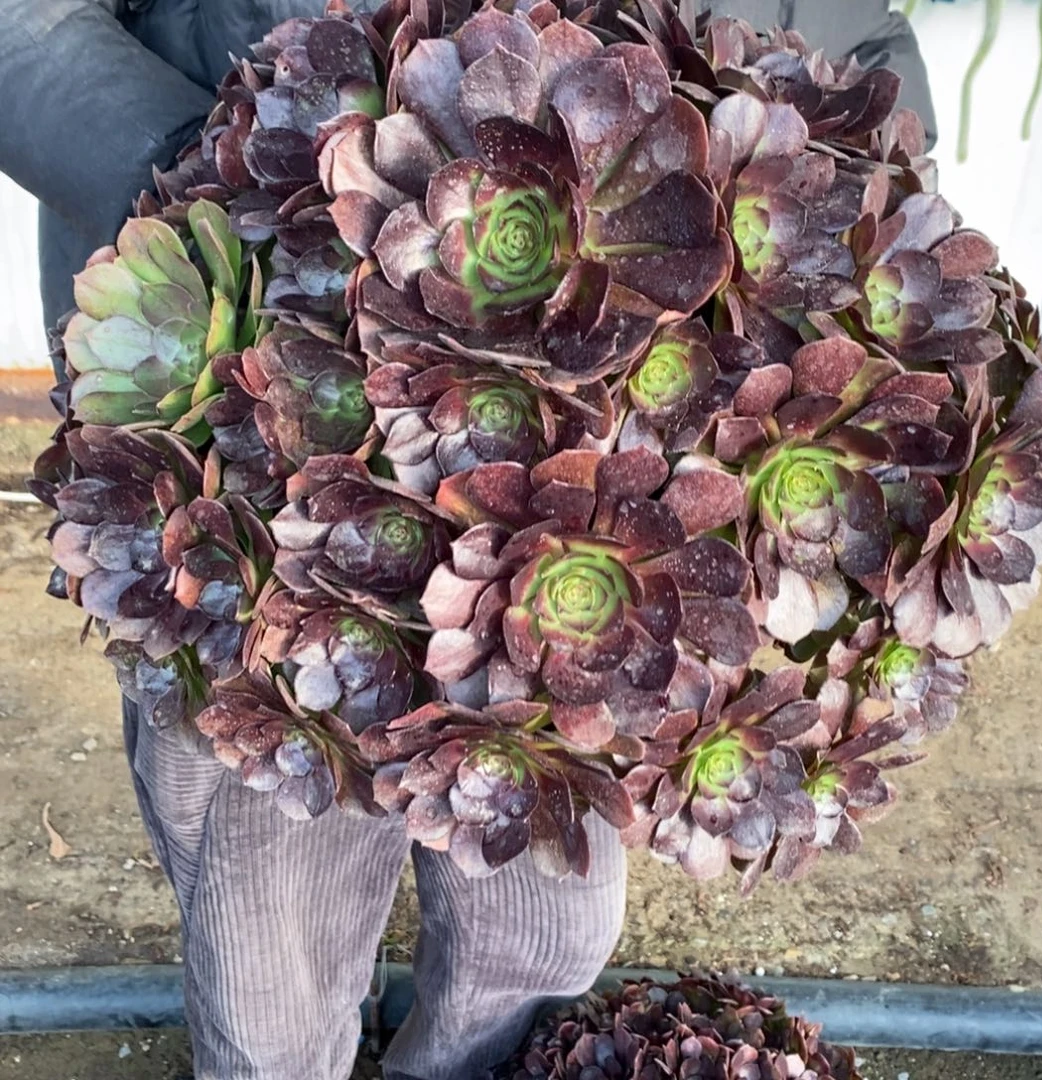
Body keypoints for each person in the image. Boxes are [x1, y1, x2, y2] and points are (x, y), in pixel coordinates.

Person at [0, 2, 935, 1078]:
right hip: (258, 394)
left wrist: (854, 221)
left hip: (636, 449)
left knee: (538, 928)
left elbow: (861, 39)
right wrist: (207, 171)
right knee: (267, 941)